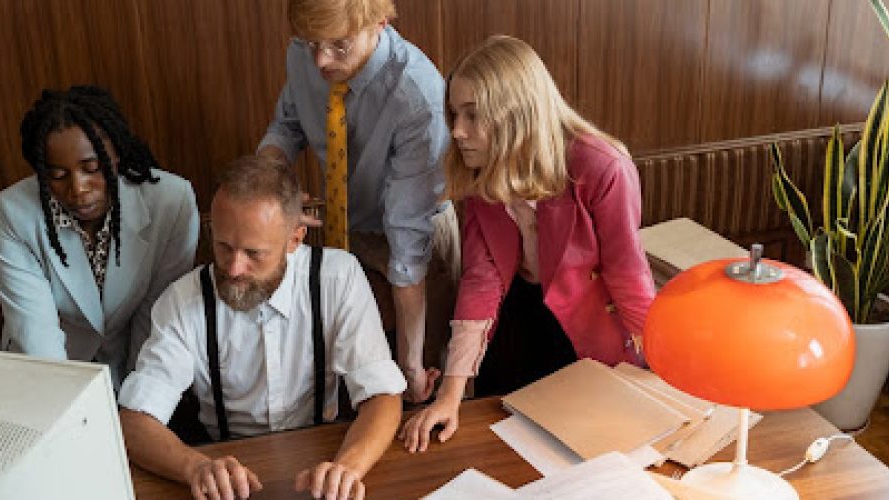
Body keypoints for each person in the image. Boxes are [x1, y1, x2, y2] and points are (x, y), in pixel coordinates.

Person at [400, 36, 656, 452]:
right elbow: (481, 282)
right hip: (518, 313)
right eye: (453, 114)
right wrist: (449, 394)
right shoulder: (479, 167)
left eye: (473, 116)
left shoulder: (603, 167)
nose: (457, 131)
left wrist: (661, 374)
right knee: (510, 442)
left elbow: (629, 279)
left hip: (590, 326)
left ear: (516, 114)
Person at [119, 156, 405, 500]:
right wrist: (194, 467)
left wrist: (347, 470)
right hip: (228, 476)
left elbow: (382, 395)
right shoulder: (182, 300)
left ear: (295, 239)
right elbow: (134, 422)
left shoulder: (338, 277)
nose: (234, 268)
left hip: (322, 460)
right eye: (224, 246)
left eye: (254, 253)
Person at [257, 0, 459, 404]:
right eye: (310, 43)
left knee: (422, 393)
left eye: (338, 47)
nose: (320, 61)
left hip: (418, 244)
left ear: (379, 24)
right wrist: (275, 190)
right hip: (344, 227)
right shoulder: (305, 53)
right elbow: (286, 126)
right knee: (355, 381)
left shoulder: (417, 96)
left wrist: (411, 367)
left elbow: (407, 254)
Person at [0, 85, 199, 386]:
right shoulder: (13, 213)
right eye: (58, 176)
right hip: (47, 373)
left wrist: (135, 400)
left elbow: (156, 316)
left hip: (133, 360)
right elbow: (36, 335)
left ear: (116, 155)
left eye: (92, 168)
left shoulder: (171, 201)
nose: (78, 188)